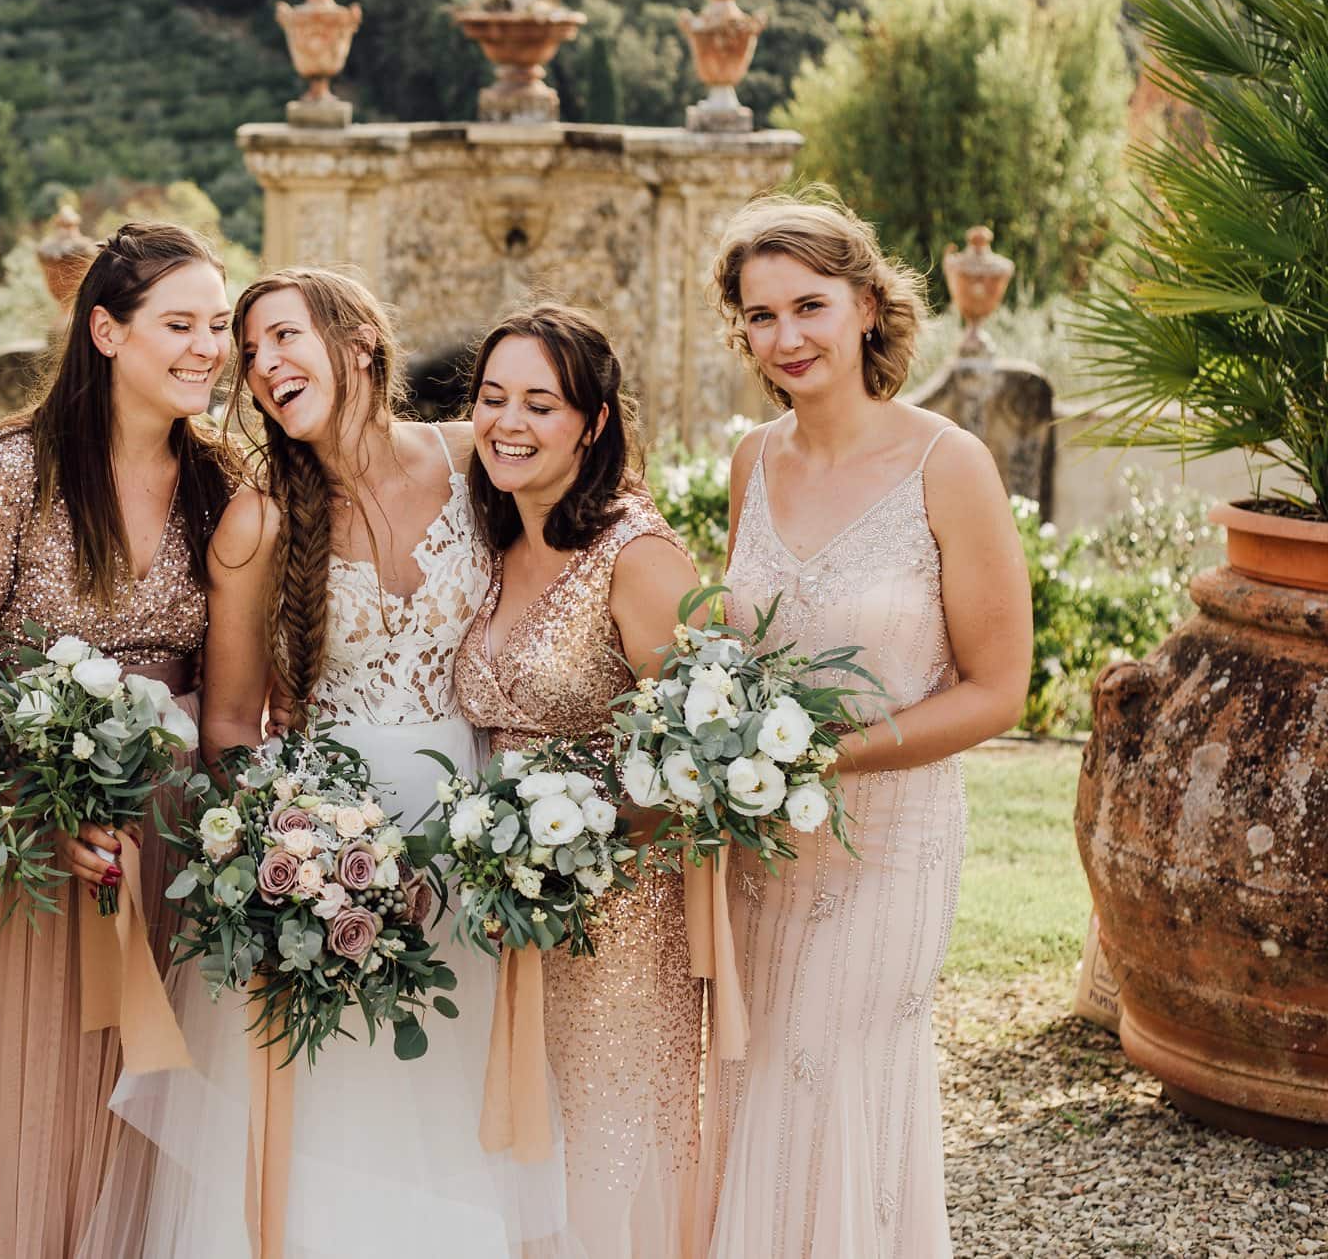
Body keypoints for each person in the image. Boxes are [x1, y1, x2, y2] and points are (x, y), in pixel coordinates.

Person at [109, 268, 567, 1258]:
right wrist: (298, 867)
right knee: (340, 1118)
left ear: (358, 337)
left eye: (281, 336)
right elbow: (230, 724)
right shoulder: (261, 516)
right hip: (334, 865)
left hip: (474, 849)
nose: (263, 364)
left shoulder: (469, 458)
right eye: (249, 354)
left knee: (458, 1113)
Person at [703, 194, 1030, 1259]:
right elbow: (735, 651)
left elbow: (995, 688)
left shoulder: (947, 463)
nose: (786, 336)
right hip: (758, 846)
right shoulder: (752, 462)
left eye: (808, 305)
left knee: (830, 1066)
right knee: (749, 1075)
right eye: (760, 316)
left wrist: (828, 757)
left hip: (885, 839)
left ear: (864, 308)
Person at [0, 221, 237, 1259]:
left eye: (217, 326)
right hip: (34, 843)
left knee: (153, 1114)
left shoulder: (220, 480)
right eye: (178, 324)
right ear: (104, 330)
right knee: (35, 1103)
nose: (206, 348)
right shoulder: (15, 469)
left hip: (174, 844)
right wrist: (47, 802)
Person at [454, 304, 708, 1258]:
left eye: (540, 404)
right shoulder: (494, 539)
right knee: (523, 1171)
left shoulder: (635, 557)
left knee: (604, 1166)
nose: (507, 423)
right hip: (506, 913)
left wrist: (575, 843)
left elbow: (703, 762)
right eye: (492, 398)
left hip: (618, 925)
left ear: (594, 424)